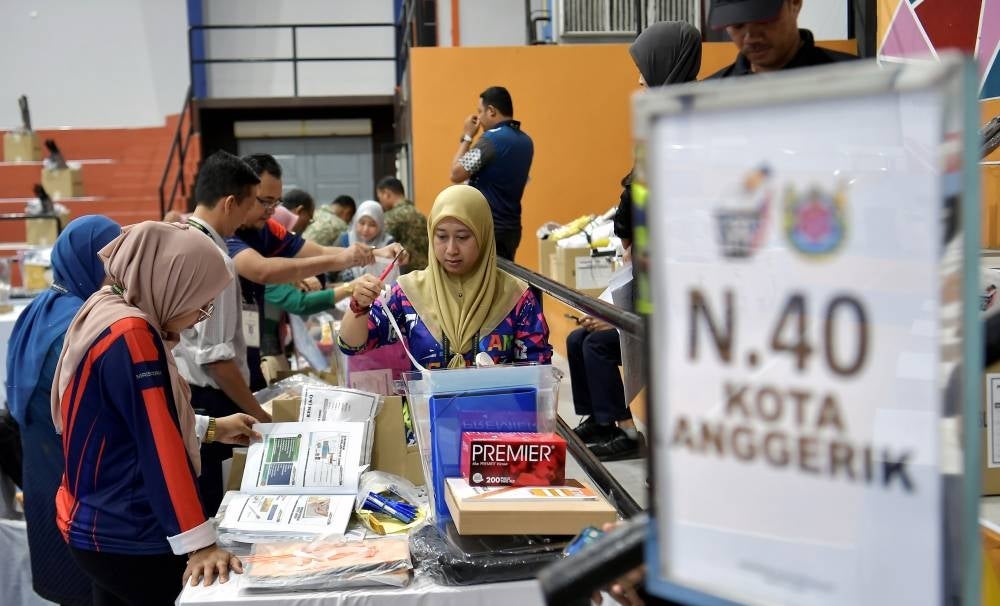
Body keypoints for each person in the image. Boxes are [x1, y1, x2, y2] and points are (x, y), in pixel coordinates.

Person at [52, 222, 259, 605]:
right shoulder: (132, 333)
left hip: (93, 517)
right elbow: (157, 441)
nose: (202, 314)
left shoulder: (107, 306)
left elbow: (126, 419)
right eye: (200, 300)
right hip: (125, 527)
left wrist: (211, 428)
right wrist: (199, 542)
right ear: (170, 283)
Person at [581, 22, 702, 461]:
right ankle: (608, 421)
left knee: (600, 341)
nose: (638, 80)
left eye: (643, 68)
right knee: (587, 338)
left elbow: (640, 198)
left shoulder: (688, 123)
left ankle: (630, 433)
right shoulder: (663, 121)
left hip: (677, 281)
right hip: (651, 270)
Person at [5, 215, 121, 606]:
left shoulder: (39, 309)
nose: (119, 268)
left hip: (42, 471)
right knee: (89, 585)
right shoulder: (81, 324)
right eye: (110, 256)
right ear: (89, 259)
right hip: (76, 481)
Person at [229, 153, 405, 391]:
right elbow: (264, 272)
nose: (270, 211)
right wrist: (345, 273)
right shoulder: (226, 236)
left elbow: (316, 251)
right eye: (264, 201)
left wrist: (378, 253)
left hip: (250, 354)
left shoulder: (266, 229)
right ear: (243, 193)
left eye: (276, 203)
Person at [340, 184, 551, 369]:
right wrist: (359, 305)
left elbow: (538, 370)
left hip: (499, 414)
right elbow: (352, 345)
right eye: (441, 236)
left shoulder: (515, 296)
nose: (451, 249)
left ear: (484, 235)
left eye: (462, 237)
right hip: (427, 413)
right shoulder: (409, 292)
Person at [173, 150, 272, 516]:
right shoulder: (216, 259)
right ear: (230, 203)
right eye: (249, 206)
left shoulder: (175, 239)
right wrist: (257, 412)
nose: (248, 218)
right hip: (210, 400)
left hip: (182, 390)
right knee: (213, 504)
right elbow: (217, 359)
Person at [450, 86, 534, 261]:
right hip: (512, 228)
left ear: (491, 111)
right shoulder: (526, 142)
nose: (478, 118)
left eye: (480, 112)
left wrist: (467, 136)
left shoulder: (492, 140)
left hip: (488, 228)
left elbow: (456, 173)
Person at [707, 0, 857, 78]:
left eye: (763, 19)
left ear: (795, 3)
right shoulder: (708, 98)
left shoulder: (858, 80)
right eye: (738, 25)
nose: (751, 37)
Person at [376, 176, 428, 272]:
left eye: (380, 198)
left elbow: (381, 243)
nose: (380, 202)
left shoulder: (392, 216)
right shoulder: (419, 213)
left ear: (386, 194)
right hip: (426, 269)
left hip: (408, 273)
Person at [335, 200, 396, 282]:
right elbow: (329, 274)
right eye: (362, 223)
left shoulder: (388, 244)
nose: (365, 229)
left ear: (380, 225)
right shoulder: (345, 239)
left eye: (372, 225)